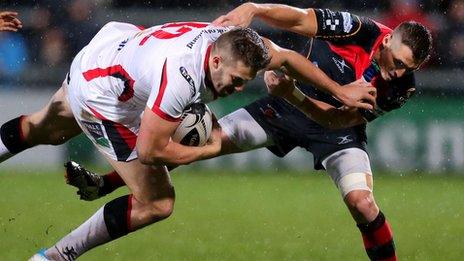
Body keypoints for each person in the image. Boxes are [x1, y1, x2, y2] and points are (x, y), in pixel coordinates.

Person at [65, 3, 433, 260]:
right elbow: (300, 19)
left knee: (363, 205)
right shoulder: (359, 30)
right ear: (386, 42)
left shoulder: (402, 87)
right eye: (397, 62)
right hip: (279, 110)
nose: (398, 73)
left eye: (408, 67)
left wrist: (293, 93)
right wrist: (255, 8)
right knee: (202, 144)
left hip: (333, 131)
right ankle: (109, 183)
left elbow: (337, 121)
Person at [0, 19, 374, 260]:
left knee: (41, 130)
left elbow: (288, 59)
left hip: (109, 50)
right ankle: (55, 258)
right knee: (157, 202)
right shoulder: (182, 77)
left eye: (246, 82)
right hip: (104, 98)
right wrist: (208, 149)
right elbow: (149, 151)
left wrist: (339, 91)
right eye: (236, 81)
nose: (239, 89)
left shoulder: (237, 45)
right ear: (214, 63)